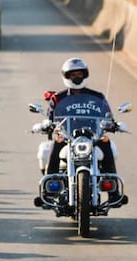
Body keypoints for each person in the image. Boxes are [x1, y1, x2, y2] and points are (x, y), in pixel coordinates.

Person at [43, 58, 128, 206]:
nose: (76, 77)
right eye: (73, 74)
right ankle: (49, 192)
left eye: (79, 74)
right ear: (66, 76)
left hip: (93, 136)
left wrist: (113, 124)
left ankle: (114, 193)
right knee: (55, 144)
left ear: (85, 75)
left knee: (106, 142)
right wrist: (47, 124)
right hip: (67, 136)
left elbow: (107, 115)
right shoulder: (58, 98)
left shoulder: (97, 97)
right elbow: (49, 117)